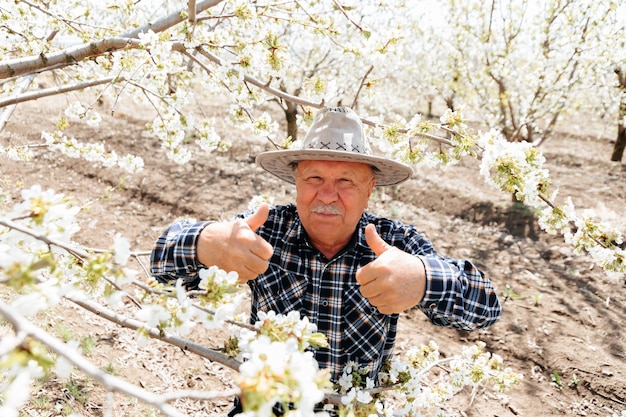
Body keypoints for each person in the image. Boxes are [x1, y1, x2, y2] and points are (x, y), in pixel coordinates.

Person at [150, 106, 502, 414]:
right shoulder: (263, 231)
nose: (327, 195)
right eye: (314, 178)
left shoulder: (396, 244)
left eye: (346, 181)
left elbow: (486, 306)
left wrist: (424, 278)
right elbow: (161, 268)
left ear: (370, 188)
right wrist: (205, 243)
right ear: (296, 182)